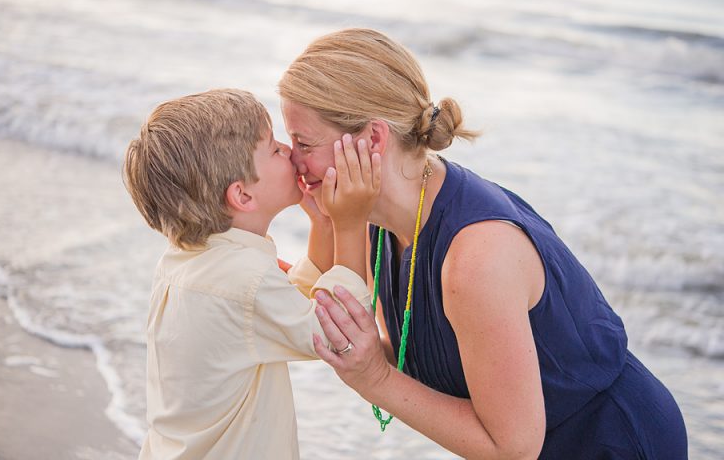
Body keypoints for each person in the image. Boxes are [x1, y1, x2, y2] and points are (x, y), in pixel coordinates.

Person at [278, 28, 688, 459]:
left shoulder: (476, 257)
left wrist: (374, 378)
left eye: (304, 143)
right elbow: (397, 351)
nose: (293, 160)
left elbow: (511, 447)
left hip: (608, 441)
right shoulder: (377, 220)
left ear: (373, 139)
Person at [122, 88, 381, 459]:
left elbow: (281, 310)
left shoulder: (192, 263)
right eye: (275, 149)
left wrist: (323, 226)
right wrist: (351, 224)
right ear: (242, 196)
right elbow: (339, 331)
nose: (290, 151)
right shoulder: (243, 281)